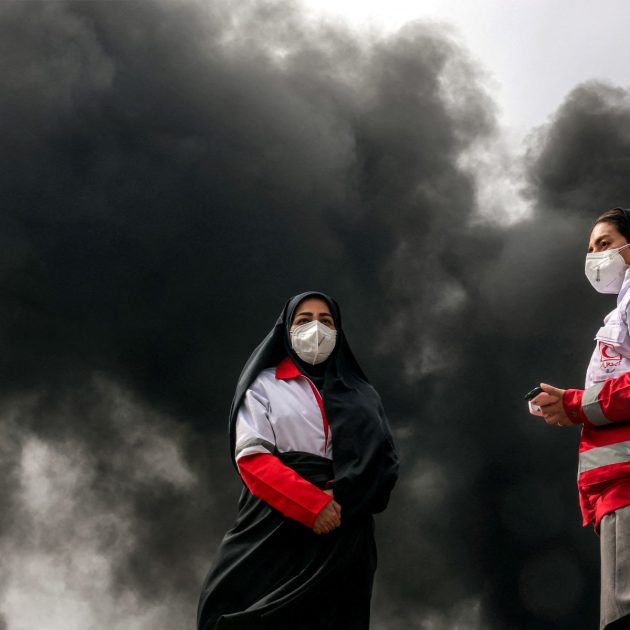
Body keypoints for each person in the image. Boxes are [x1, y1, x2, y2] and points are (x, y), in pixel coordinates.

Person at [197, 291, 399, 630]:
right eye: (304, 321)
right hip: (274, 527)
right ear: (286, 330)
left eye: (326, 321)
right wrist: (312, 505)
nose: (316, 329)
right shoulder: (264, 387)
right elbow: (252, 458)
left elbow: (385, 464)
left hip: (345, 533)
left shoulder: (363, 395)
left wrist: (344, 499)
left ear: (338, 331)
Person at [532, 207, 630, 629]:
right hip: (616, 491)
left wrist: (575, 405)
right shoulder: (619, 313)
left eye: (605, 244)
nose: (595, 257)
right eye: (590, 250)